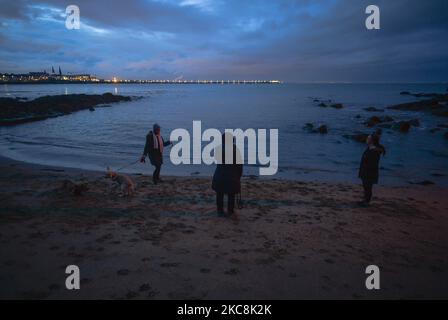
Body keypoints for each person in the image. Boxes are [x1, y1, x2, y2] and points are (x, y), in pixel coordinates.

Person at [212, 133, 243, 217]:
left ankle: (220, 211)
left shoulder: (218, 149)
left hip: (219, 176)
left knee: (219, 194)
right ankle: (230, 211)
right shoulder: (236, 150)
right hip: (232, 177)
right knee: (231, 195)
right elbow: (239, 166)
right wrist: (239, 177)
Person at [358, 134, 385, 206]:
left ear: (371, 141)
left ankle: (367, 202)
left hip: (370, 172)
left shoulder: (374, 151)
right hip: (365, 170)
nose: (366, 139)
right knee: (365, 186)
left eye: (368, 138)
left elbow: (373, 163)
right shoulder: (370, 148)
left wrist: (367, 170)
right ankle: (365, 200)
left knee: (368, 187)